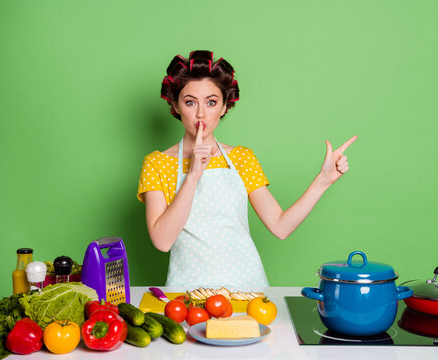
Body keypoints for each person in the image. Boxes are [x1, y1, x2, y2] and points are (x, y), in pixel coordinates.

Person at [137, 50, 356, 290]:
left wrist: (323, 180)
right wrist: (193, 176)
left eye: (211, 102)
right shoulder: (157, 163)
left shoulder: (242, 158)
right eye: (190, 102)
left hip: (247, 289)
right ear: (176, 106)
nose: (201, 113)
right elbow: (162, 241)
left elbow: (280, 226)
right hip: (187, 293)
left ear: (223, 107)